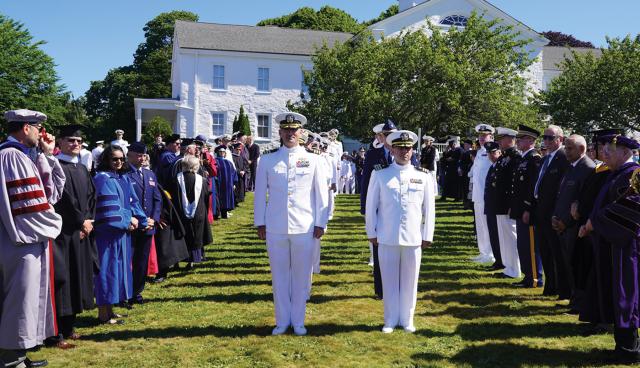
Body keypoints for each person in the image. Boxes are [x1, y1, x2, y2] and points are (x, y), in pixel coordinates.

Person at [254, 112, 329, 336]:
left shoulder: (314, 159)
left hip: (304, 226)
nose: (290, 134)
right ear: (279, 132)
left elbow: (321, 194)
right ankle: (281, 321)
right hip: (275, 227)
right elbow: (259, 195)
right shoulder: (267, 160)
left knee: (300, 277)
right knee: (279, 277)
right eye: (286, 130)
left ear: (301, 133)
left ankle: (298, 321)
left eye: (294, 130)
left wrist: (320, 222)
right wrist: (260, 222)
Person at [0, 109, 64, 368]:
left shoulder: (23, 156)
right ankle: (11, 359)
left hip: (24, 237)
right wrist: (52, 223)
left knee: (24, 298)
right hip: (19, 239)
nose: (41, 133)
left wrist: (46, 155)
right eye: (38, 128)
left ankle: (19, 355)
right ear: (25, 128)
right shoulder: (11, 156)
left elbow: (51, 193)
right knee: (18, 298)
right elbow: (29, 206)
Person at [365, 130, 435, 333]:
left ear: (412, 150)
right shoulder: (380, 173)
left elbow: (429, 209)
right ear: (392, 149)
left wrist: (427, 234)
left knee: (410, 281)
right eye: (400, 148)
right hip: (387, 236)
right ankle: (390, 319)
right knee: (388, 281)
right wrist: (372, 232)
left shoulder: (423, 176)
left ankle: (407, 319)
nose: (404, 152)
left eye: (408, 148)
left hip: (413, 237)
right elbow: (371, 206)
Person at [579, 134, 640, 363]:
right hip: (612, 245)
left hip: (627, 249)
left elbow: (632, 210)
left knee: (627, 296)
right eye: (604, 150)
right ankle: (621, 347)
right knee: (617, 295)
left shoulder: (634, 175)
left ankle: (629, 351)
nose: (605, 155)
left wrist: (596, 221)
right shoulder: (616, 175)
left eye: (610, 151)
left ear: (625, 152)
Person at [48, 124, 97, 350]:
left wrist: (88, 222)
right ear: (59, 142)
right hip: (64, 233)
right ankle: (56, 332)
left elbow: (90, 198)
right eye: (70, 140)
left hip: (81, 231)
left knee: (78, 277)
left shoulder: (83, 168)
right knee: (63, 280)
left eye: (78, 141)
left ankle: (69, 327)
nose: (75, 144)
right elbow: (63, 200)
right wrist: (80, 222)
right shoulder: (55, 166)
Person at [93, 145, 147, 324]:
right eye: (114, 159)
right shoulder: (102, 178)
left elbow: (133, 202)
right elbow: (110, 210)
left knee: (115, 272)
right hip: (107, 234)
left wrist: (142, 220)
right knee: (106, 272)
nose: (119, 162)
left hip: (121, 234)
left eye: (121, 159)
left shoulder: (121, 178)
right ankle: (103, 314)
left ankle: (110, 311)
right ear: (106, 160)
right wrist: (128, 221)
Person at [551, 135, 594, 307]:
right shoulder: (571, 167)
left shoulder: (587, 169)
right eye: (566, 147)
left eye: (570, 148)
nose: (566, 151)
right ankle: (573, 299)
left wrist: (565, 222)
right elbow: (562, 195)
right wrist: (555, 217)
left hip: (574, 227)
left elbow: (581, 201)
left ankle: (579, 303)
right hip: (563, 225)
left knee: (576, 266)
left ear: (582, 149)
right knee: (568, 264)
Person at [361, 120, 398, 298]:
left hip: (399, 210)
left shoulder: (406, 152)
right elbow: (366, 182)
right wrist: (365, 209)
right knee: (378, 250)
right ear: (381, 137)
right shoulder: (372, 154)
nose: (390, 138)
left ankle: (398, 287)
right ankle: (381, 290)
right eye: (387, 135)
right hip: (379, 209)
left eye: (392, 134)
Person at [533, 125, 570, 297]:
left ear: (560, 139)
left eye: (550, 137)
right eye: (545, 137)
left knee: (557, 253)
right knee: (545, 251)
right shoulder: (545, 158)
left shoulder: (563, 158)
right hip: (541, 211)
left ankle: (562, 289)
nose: (546, 140)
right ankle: (551, 286)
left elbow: (562, 190)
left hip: (553, 213)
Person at [125, 142, 162, 304]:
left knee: (142, 261)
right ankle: (124, 293)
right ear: (130, 156)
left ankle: (136, 292)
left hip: (148, 226)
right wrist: (139, 220)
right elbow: (125, 201)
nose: (142, 158)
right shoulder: (124, 174)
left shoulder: (150, 174)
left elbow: (157, 199)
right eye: (139, 155)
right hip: (132, 226)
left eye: (144, 155)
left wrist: (154, 219)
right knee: (128, 261)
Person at [510, 125, 543, 288]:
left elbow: (532, 187)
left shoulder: (534, 159)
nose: (518, 142)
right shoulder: (524, 158)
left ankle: (535, 277)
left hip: (527, 210)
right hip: (519, 208)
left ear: (530, 140)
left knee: (531, 245)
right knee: (522, 245)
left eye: (521, 139)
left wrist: (528, 208)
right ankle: (527, 276)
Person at [170, 155, 210, 269]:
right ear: (196, 166)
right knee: (195, 235)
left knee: (180, 236)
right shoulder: (202, 181)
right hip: (198, 213)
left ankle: (176, 262)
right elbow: (206, 197)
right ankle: (191, 261)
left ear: (183, 165)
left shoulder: (175, 180)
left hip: (179, 213)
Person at [493, 127, 522, 279]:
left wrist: (512, 204)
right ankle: (508, 267)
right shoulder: (505, 156)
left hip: (508, 204)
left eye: (501, 138)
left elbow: (514, 184)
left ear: (510, 139)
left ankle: (515, 268)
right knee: (504, 237)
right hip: (501, 203)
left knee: (511, 237)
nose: (499, 141)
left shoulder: (516, 157)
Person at [469, 124, 497, 265]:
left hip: (487, 195)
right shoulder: (479, 152)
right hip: (477, 194)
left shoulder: (493, 151)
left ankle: (491, 253)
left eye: (484, 136)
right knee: (480, 225)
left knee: (488, 226)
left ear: (491, 136)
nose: (481, 138)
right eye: (480, 136)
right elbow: (474, 172)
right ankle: (483, 252)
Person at [215, 146, 238, 219]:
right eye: (220, 152)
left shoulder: (228, 162)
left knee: (227, 198)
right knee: (220, 198)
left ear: (225, 153)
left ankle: (225, 213)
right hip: (220, 183)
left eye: (223, 152)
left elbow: (233, 173)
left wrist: (234, 183)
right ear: (218, 153)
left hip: (228, 184)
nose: (222, 153)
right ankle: (218, 213)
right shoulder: (215, 161)